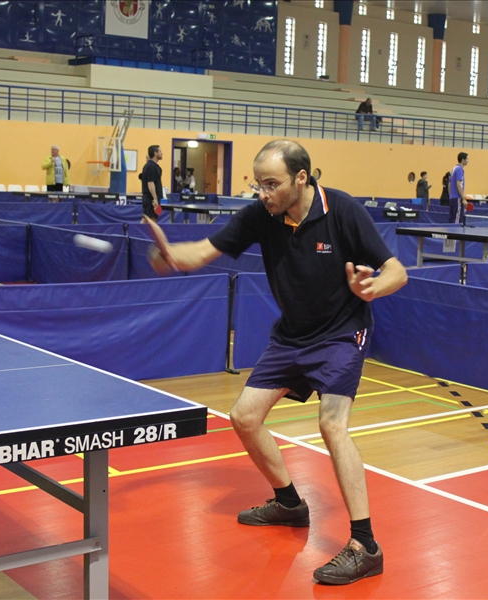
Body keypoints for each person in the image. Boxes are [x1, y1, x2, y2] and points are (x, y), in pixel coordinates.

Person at [146, 140, 407, 585]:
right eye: (258, 184)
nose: (263, 193)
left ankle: (366, 545)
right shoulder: (261, 215)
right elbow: (203, 251)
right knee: (244, 417)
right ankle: (289, 503)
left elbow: (396, 272)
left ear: (301, 178)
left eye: (271, 184)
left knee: (332, 424)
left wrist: (373, 287)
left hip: (341, 332)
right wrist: (171, 255)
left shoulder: (342, 210)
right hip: (292, 335)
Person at [139, 145, 163, 220]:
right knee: (153, 222)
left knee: (145, 220)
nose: (162, 153)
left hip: (147, 198)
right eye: (160, 151)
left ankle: (134, 229)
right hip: (151, 200)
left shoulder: (148, 166)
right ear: (155, 153)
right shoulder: (152, 167)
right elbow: (150, 183)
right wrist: (155, 199)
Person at [448, 152, 469, 224]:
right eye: (467, 159)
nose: (468, 161)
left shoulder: (454, 169)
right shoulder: (459, 169)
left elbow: (449, 184)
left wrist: (450, 195)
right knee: (457, 221)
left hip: (452, 198)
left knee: (452, 220)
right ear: (463, 160)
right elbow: (459, 184)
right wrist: (463, 199)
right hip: (457, 199)